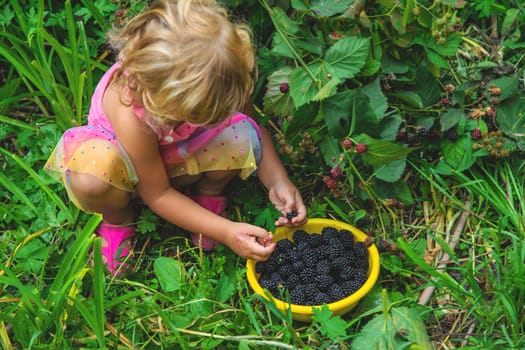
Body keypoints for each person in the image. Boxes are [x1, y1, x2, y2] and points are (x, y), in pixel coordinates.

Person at [44, 0, 307, 275]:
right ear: (158, 97)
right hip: (130, 170)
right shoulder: (129, 110)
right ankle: (117, 219)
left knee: (240, 131)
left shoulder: (222, 75)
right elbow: (157, 193)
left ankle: (208, 195)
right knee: (93, 176)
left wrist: (278, 181)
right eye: (199, 114)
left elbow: (253, 124)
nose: (211, 119)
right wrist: (227, 231)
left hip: (177, 155)